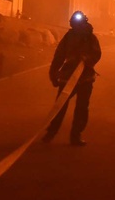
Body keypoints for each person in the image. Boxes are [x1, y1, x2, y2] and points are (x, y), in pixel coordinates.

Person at [42, 10, 102, 146]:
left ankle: (75, 135)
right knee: (61, 106)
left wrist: (86, 59)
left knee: (80, 107)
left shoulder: (91, 38)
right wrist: (53, 73)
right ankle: (52, 132)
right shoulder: (69, 37)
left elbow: (97, 54)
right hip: (69, 77)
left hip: (85, 77)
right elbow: (59, 56)